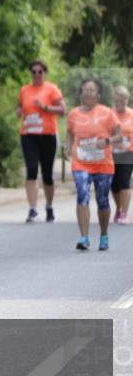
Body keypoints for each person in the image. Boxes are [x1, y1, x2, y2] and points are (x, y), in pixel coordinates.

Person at [65, 78, 120, 251]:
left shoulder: (107, 113)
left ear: (98, 95)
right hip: (81, 162)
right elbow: (69, 133)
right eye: (85, 89)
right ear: (81, 94)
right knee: (82, 194)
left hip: (103, 164)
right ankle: (84, 237)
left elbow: (119, 135)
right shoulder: (73, 114)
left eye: (91, 90)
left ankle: (104, 235)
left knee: (102, 200)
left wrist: (107, 140)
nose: (88, 92)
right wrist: (68, 148)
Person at [16, 59, 66, 223]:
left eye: (40, 72)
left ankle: (49, 206)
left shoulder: (52, 89)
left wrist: (45, 107)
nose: (37, 74)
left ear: (45, 73)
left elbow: (63, 110)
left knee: (47, 174)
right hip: (29, 134)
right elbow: (19, 106)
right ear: (31, 73)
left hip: (47, 135)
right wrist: (19, 111)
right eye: (34, 72)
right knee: (31, 170)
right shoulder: (25, 90)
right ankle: (32, 209)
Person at [111, 85, 133, 225]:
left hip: (129, 152)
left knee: (125, 181)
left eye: (123, 99)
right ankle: (118, 209)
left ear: (127, 100)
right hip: (112, 153)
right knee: (114, 185)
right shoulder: (109, 114)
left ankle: (124, 213)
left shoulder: (132, 114)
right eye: (118, 100)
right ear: (114, 99)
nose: (121, 102)